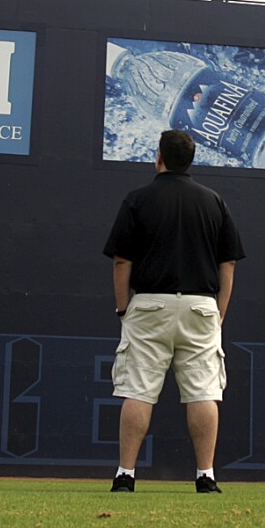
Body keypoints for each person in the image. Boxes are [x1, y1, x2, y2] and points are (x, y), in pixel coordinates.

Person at [102, 129, 245, 494]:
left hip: (149, 302)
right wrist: (219, 312)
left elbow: (122, 260)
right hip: (201, 306)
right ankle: (206, 475)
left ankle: (125, 475)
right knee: (203, 391)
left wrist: (123, 309)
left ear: (159, 157)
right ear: (190, 159)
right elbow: (227, 264)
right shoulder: (213, 200)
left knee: (138, 390)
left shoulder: (138, 199)